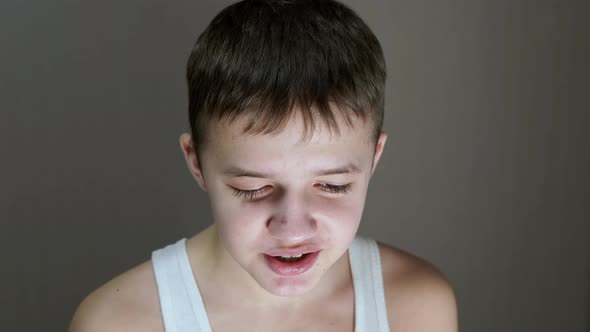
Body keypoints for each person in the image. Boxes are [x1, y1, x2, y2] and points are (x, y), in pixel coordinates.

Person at [69, 0, 457, 331]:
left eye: (333, 185)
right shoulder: (117, 322)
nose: (293, 227)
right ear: (196, 163)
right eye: (253, 189)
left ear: (374, 158)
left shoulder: (417, 308)